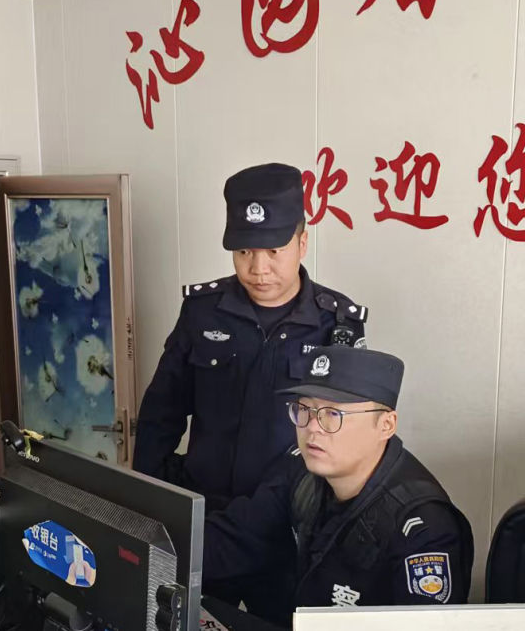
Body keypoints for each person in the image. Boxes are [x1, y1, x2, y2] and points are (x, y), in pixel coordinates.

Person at [132, 163, 368, 509]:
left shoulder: (337, 325)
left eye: (274, 251)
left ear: (302, 243)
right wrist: (151, 499)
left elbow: (351, 437)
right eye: (244, 252)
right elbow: (161, 414)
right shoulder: (203, 312)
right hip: (209, 510)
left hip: (291, 518)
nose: (258, 269)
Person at [203, 345, 474, 620]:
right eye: (304, 409)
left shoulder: (422, 528)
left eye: (333, 414)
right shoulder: (299, 470)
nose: (312, 427)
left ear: (386, 425)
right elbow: (233, 540)